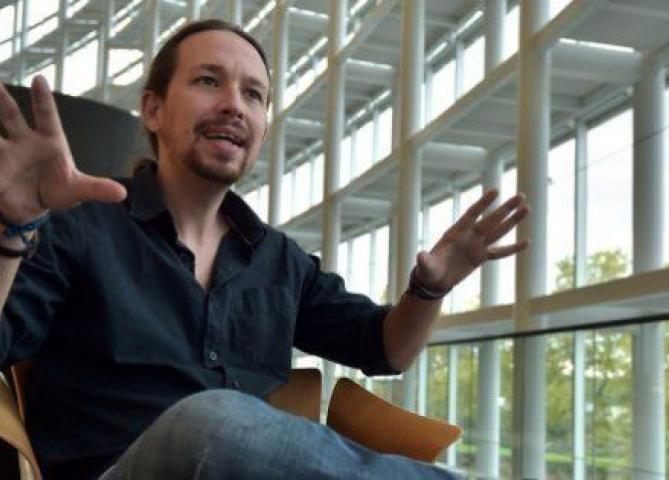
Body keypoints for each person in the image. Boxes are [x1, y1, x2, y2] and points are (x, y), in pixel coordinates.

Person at [0, 19, 529, 480]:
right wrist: (12, 228)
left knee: (219, 420)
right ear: (153, 109)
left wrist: (430, 287)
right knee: (209, 420)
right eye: (209, 81)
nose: (234, 104)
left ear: (262, 127)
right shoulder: (77, 226)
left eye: (253, 95)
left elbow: (386, 349)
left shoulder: (279, 261)